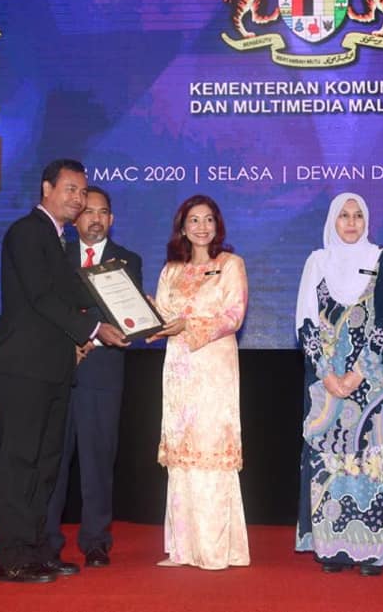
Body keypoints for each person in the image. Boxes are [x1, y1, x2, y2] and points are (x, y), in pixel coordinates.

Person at [0, 159, 129, 583]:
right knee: (21, 463)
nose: (78, 199)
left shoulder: (57, 238)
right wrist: (96, 328)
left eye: (83, 192)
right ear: (47, 188)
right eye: (70, 189)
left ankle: (40, 551)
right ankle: (13, 558)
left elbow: (75, 291)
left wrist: (134, 309)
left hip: (53, 369)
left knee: (46, 465)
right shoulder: (26, 232)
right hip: (22, 369)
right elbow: (43, 297)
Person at [294, 193, 383, 575]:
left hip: (370, 378)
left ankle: (370, 551)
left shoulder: (380, 259)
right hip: (325, 380)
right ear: (332, 221)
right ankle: (332, 549)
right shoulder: (317, 262)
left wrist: (358, 373)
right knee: (330, 462)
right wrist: (327, 375)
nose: (352, 222)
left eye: (358, 215)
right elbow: (305, 322)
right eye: (344, 216)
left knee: (369, 462)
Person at [148, 194, 250, 570]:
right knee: (182, 452)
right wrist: (143, 316)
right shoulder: (171, 270)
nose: (202, 226)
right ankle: (182, 549)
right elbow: (161, 316)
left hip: (214, 367)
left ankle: (215, 550)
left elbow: (234, 316)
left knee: (210, 449)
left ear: (217, 225)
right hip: (178, 368)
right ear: (182, 227)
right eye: (194, 220)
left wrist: (187, 325)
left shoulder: (231, 265)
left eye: (208, 219)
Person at [45, 186, 143, 568]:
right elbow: (48, 308)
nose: (95, 219)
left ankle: (96, 541)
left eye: (102, 212)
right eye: (88, 212)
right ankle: (46, 540)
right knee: (52, 458)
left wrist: (91, 338)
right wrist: (69, 342)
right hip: (58, 367)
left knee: (98, 460)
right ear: (75, 218)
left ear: (111, 219)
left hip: (103, 370)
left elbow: (126, 317)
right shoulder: (56, 256)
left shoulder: (127, 261)